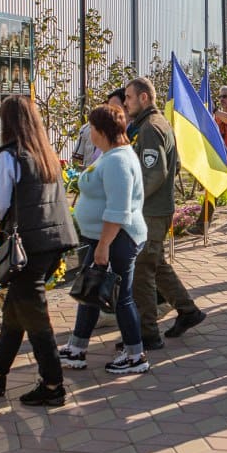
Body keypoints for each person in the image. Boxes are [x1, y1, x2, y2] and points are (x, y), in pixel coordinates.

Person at [0, 96, 79, 406]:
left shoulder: (9, 155)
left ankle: (53, 384)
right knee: (16, 311)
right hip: (52, 240)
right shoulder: (44, 153)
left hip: (26, 245)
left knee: (35, 316)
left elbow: (0, 202)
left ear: (8, 122)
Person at [59, 104, 151, 374]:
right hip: (106, 238)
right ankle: (76, 349)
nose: (88, 133)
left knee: (121, 297)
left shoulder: (118, 161)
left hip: (117, 239)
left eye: (91, 128)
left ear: (101, 131)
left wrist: (103, 247)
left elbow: (118, 210)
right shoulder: (112, 154)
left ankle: (136, 356)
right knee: (90, 292)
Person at [124, 77, 207, 346]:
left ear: (144, 98)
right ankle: (188, 310)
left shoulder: (150, 128)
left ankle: (147, 333)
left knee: (142, 271)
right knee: (156, 264)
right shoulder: (153, 125)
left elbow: (155, 173)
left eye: (129, 97)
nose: (126, 103)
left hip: (150, 211)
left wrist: (131, 200)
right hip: (156, 209)